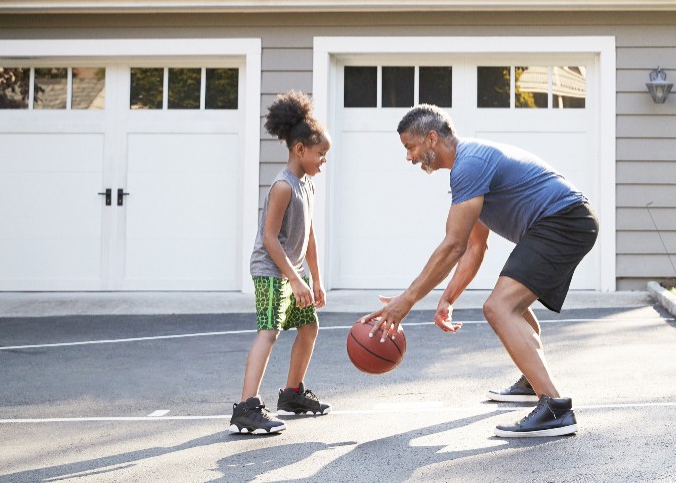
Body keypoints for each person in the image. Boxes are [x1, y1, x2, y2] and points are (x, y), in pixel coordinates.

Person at [362, 103, 598, 438]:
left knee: (500, 307)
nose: (409, 157)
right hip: (560, 222)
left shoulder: (469, 165)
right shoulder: (470, 170)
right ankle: (534, 380)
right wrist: (447, 298)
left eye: (410, 147)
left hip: (564, 221)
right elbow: (474, 247)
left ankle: (555, 408)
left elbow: (452, 245)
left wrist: (406, 301)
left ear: (431, 139)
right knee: (510, 304)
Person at [230, 91, 332, 435]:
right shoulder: (283, 186)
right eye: (321, 154)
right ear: (300, 149)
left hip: (293, 273)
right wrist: (295, 279)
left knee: (309, 326)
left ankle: (291, 394)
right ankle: (247, 406)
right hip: (272, 271)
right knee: (269, 332)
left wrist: (314, 279)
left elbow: (310, 236)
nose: (324, 161)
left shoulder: (307, 186)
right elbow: (270, 239)